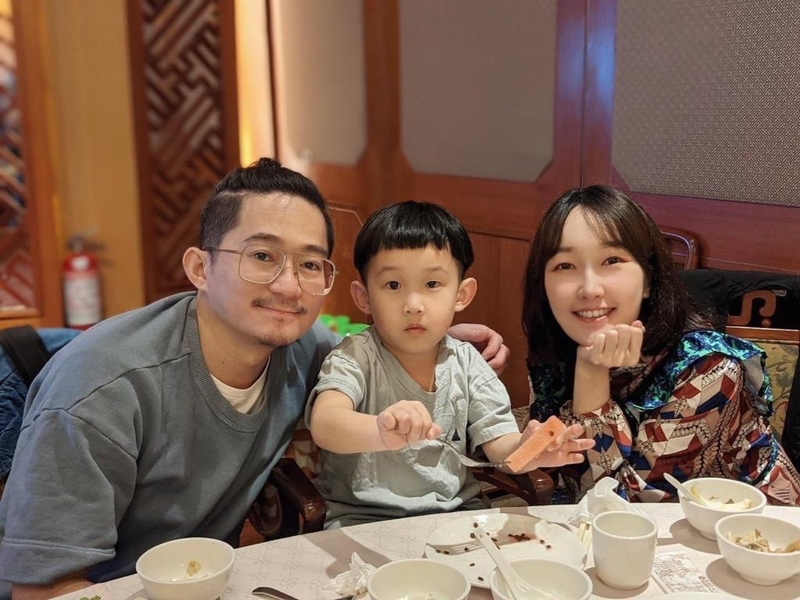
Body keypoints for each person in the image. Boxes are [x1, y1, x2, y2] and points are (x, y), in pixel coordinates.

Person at [0, 159, 510, 599]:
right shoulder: (102, 389)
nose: (288, 285)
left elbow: (369, 350)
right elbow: (44, 588)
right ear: (200, 268)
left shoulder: (303, 347)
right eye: (262, 256)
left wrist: (433, 339)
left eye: (310, 264)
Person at [306, 201, 593, 528]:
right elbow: (326, 423)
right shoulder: (354, 357)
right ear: (364, 297)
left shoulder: (468, 363)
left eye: (432, 284)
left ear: (462, 294)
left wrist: (529, 451)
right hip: (363, 520)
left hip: (457, 517)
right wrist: (381, 431)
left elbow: (501, 448)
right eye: (393, 285)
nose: (413, 305)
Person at [522, 184, 800, 504]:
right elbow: (555, 466)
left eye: (611, 260)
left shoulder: (707, 368)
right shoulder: (556, 348)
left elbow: (624, 504)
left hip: (749, 525)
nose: (589, 288)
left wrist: (591, 373)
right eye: (565, 266)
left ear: (648, 280)